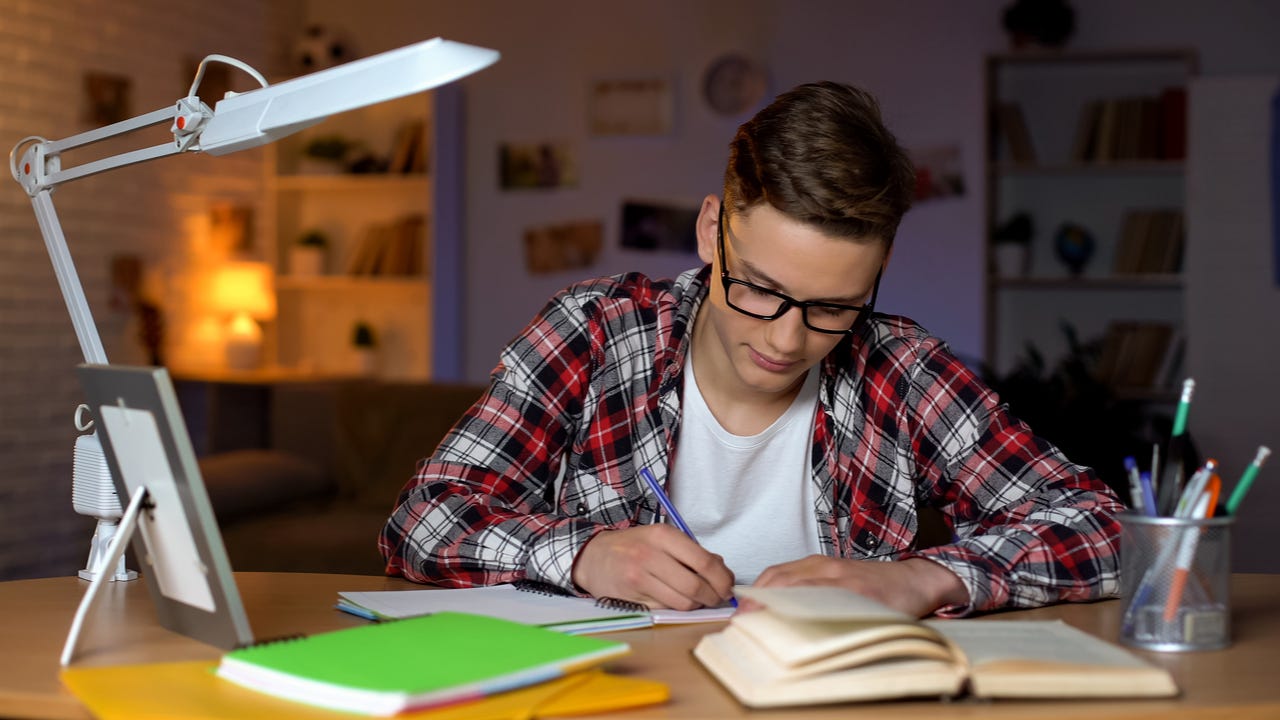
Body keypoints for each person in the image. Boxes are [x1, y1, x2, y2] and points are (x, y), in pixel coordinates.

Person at [380, 81, 1123, 618]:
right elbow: (424, 517)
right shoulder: (596, 331)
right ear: (712, 232)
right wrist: (583, 555)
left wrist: (929, 578)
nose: (786, 337)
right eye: (760, 289)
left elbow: (1106, 529)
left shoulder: (900, 367)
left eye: (833, 306)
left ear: (879, 273)